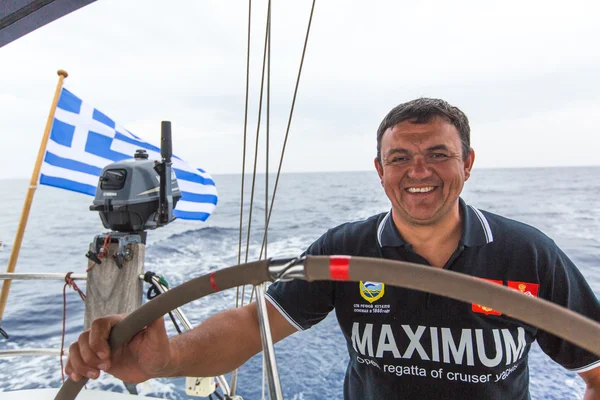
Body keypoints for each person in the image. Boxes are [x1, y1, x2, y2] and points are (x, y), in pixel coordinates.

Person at [66, 98, 600, 399]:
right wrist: (167, 358)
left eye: (438, 154)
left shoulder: (528, 255)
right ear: (379, 170)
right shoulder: (347, 250)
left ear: (468, 164)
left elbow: (596, 368)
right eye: (400, 158)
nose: (418, 171)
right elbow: (256, 324)